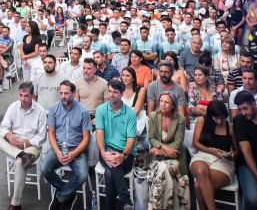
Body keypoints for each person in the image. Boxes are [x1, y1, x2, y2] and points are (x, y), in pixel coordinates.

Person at [0, 81, 47, 210]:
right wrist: (10, 136)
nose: (23, 99)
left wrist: (25, 144)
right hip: (15, 141)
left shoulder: (40, 111)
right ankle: (22, 155)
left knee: (18, 163)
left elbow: (42, 136)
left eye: (26, 96)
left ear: (32, 95)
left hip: (31, 144)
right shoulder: (13, 106)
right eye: (21, 95)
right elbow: (4, 127)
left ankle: (16, 204)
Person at [42, 80, 92, 210]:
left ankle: (60, 197)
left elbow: (86, 138)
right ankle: (69, 194)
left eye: (67, 93)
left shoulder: (83, 111)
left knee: (82, 176)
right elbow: (51, 133)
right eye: (61, 93)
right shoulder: (54, 108)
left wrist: (73, 154)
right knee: (45, 169)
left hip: (77, 148)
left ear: (74, 93)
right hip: (58, 146)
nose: (63, 96)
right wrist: (58, 152)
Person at [96, 80, 137, 210]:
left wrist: (123, 155)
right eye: (109, 91)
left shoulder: (130, 113)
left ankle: (111, 207)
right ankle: (126, 202)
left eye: (115, 92)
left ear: (122, 94)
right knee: (112, 164)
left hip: (126, 153)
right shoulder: (101, 109)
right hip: (106, 150)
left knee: (109, 172)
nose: (111, 95)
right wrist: (103, 152)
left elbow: (131, 140)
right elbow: (100, 135)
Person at [190, 100, 238, 210]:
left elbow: (237, 150)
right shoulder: (202, 120)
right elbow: (195, 143)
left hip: (223, 160)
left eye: (222, 118)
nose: (220, 121)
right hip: (204, 154)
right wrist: (212, 152)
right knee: (201, 171)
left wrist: (233, 154)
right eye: (216, 118)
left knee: (198, 186)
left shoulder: (230, 128)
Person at [146, 91, 189, 209]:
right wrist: (163, 148)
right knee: (163, 169)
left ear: (173, 105)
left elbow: (178, 142)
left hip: (176, 156)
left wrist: (163, 152)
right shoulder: (154, 115)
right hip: (157, 154)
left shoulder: (180, 119)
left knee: (163, 169)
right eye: (161, 101)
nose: (163, 104)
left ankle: (154, 206)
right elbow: (151, 138)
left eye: (166, 102)